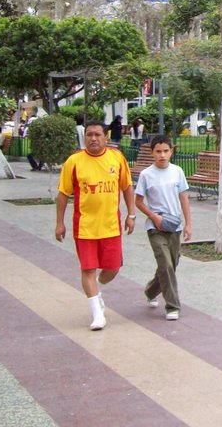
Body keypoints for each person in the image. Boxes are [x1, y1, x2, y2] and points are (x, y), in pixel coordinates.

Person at [54, 122, 136, 330]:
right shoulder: (74, 162)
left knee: (112, 268)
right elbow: (63, 194)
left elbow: (127, 187)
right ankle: (97, 312)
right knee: (88, 268)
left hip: (111, 226)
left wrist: (131, 214)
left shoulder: (117, 158)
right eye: (89, 135)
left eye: (97, 134)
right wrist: (59, 223)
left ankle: (96, 289)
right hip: (84, 227)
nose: (93, 138)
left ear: (105, 138)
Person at [134, 134, 192, 320]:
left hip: (175, 226)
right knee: (165, 264)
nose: (162, 155)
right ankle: (173, 306)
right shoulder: (146, 175)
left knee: (171, 265)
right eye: (158, 151)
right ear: (152, 152)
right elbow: (139, 201)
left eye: (166, 151)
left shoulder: (177, 172)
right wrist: (154, 217)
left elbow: (184, 198)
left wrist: (188, 224)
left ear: (171, 151)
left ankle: (151, 291)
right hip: (155, 228)